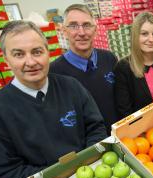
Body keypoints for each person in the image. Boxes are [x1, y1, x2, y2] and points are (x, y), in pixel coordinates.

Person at [0, 21, 107, 178]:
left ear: (48, 53)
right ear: (6, 60)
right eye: (19, 54)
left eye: (37, 52)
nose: (30, 62)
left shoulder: (71, 87)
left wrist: (86, 168)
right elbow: (6, 170)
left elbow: (95, 127)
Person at [50, 4, 119, 133]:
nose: (81, 33)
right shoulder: (54, 73)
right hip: (86, 147)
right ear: (64, 31)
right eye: (73, 26)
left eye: (87, 25)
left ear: (95, 30)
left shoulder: (109, 58)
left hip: (120, 137)